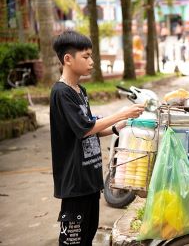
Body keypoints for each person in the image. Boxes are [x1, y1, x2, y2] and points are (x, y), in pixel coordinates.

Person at [50, 30, 145, 245]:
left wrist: (117, 126)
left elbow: (91, 128)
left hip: (90, 179)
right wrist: (122, 113)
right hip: (75, 184)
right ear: (68, 59)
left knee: (89, 234)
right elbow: (84, 129)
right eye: (86, 56)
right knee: (73, 240)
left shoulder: (80, 91)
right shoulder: (61, 92)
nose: (91, 62)